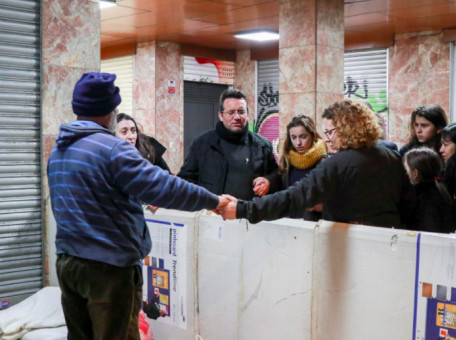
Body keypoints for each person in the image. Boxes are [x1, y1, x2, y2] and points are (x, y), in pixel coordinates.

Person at [47, 72, 230, 340]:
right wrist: (212, 201)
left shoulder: (60, 149)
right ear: (111, 110)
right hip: (107, 272)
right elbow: (166, 187)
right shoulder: (112, 149)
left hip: (68, 265)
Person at [219, 99, 415, 228]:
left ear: (346, 129)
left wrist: (244, 209)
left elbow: (293, 197)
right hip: (388, 240)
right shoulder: (392, 157)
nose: (327, 139)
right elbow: (407, 204)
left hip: (349, 245)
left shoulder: (337, 163)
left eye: (330, 132)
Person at [178, 88, 279, 200]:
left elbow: (278, 177)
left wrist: (269, 182)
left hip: (250, 215)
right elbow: (185, 180)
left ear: (247, 114)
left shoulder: (263, 146)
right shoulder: (201, 144)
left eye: (241, 112)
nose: (237, 117)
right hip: (212, 214)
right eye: (231, 112)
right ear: (220, 115)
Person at [278, 115, 328, 220]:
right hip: (290, 224)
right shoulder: (287, 163)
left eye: (303, 137)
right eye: (294, 137)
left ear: (313, 135)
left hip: (315, 226)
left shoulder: (325, 163)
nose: (298, 143)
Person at [403, 147, 456, 233]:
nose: (405, 174)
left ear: (414, 173)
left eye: (406, 170)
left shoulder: (426, 200)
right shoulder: (440, 189)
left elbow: (428, 232)